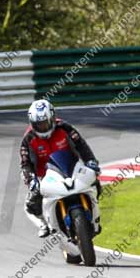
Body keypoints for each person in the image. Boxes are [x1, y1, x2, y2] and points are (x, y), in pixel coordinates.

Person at [20, 99, 100, 238]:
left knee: (95, 183)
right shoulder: (28, 138)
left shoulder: (64, 127)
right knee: (32, 202)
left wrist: (91, 161)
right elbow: (25, 163)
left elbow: (81, 145)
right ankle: (44, 224)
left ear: (52, 118)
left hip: (71, 167)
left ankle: (95, 217)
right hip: (44, 175)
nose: (42, 127)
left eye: (45, 123)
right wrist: (31, 179)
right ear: (32, 123)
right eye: (38, 124)